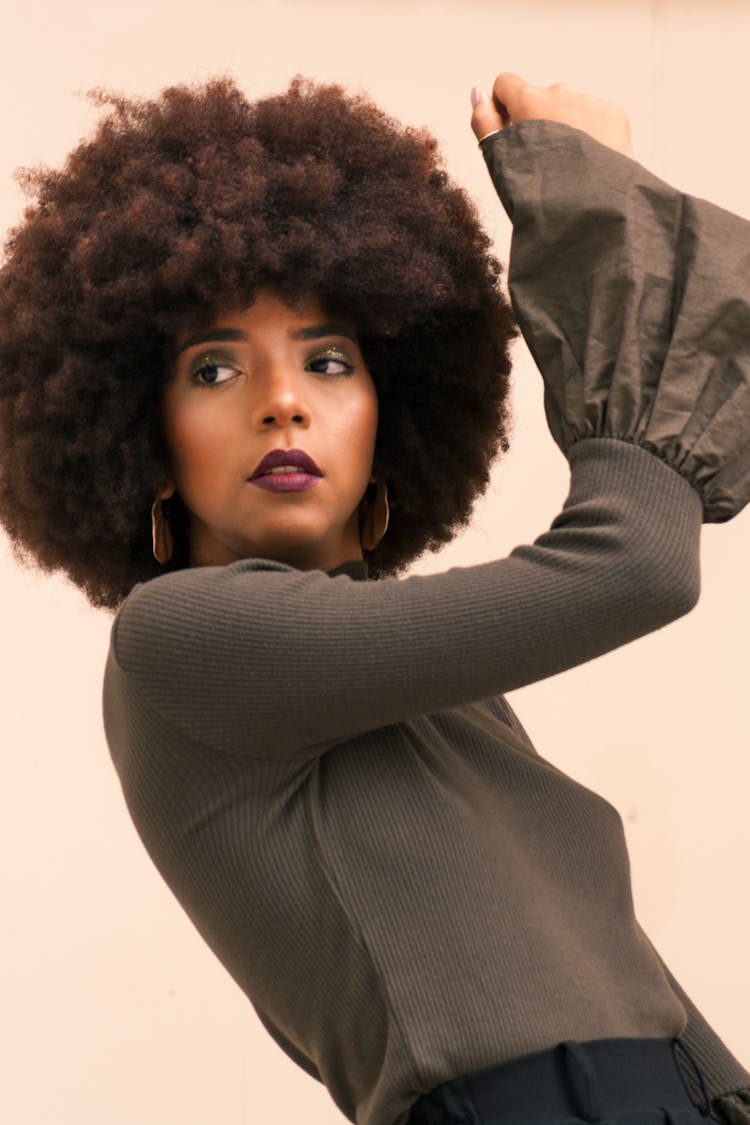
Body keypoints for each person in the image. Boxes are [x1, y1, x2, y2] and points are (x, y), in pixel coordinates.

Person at [0, 69, 748, 1125]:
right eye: (216, 370)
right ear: (147, 445)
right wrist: (597, 211)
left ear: (390, 419)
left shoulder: (426, 692)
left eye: (332, 361)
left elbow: (606, 958)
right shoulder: (180, 640)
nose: (284, 403)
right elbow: (637, 564)